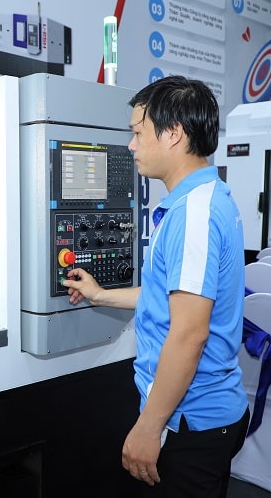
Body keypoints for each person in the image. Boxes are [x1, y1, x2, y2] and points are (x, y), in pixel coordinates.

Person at [63, 75, 249, 497]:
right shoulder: (205, 198)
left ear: (173, 133)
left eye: (137, 132)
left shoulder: (193, 216)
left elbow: (189, 334)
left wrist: (149, 427)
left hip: (191, 422)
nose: (131, 146)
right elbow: (173, 299)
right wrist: (101, 294)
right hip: (205, 416)